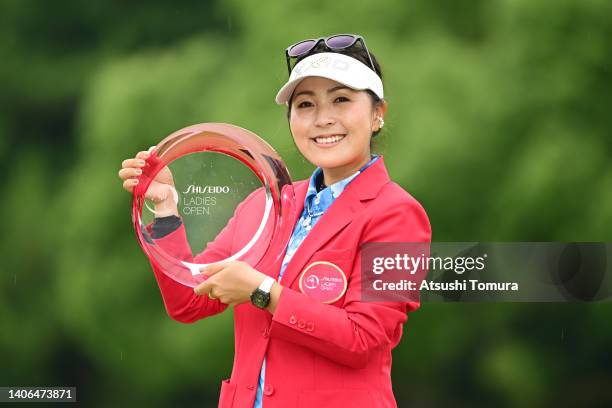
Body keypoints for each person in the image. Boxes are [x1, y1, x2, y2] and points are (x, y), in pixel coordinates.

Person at [118, 33, 431, 408]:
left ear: (378, 114)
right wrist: (166, 209)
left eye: (342, 100)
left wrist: (262, 291)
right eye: (305, 105)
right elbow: (189, 301)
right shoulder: (264, 204)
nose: (323, 119)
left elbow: (363, 339)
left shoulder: (398, 213)